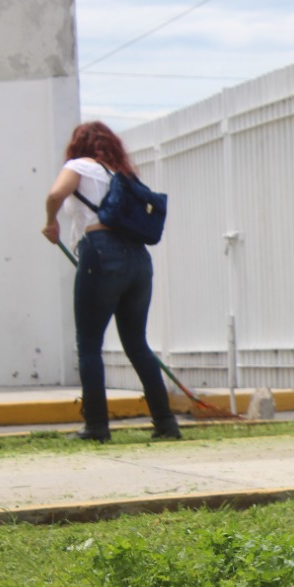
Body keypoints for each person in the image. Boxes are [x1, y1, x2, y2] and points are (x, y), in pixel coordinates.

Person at [42, 121, 181, 443]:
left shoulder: (78, 166)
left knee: (89, 345)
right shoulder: (120, 175)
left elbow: (55, 194)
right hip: (138, 259)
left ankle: (96, 427)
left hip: (101, 254)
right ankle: (165, 423)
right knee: (137, 344)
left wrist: (51, 223)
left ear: (79, 145)